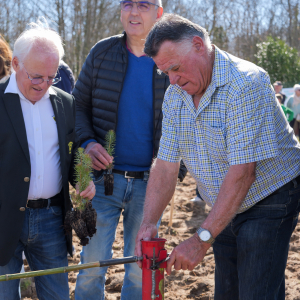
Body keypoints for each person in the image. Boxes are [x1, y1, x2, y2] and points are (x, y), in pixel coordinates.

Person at [135, 14, 300, 300]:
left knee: (256, 290)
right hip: (222, 197)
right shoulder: (176, 95)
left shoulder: (245, 83)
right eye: (166, 73)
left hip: (270, 195)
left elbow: (244, 172)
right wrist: (148, 223)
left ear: (199, 45)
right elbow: (165, 166)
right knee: (227, 291)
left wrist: (200, 240)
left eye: (175, 68)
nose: (172, 81)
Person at [73, 1, 186, 299]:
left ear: (159, 13)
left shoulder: (173, 59)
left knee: (139, 270)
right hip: (101, 182)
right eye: (127, 4)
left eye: (144, 4)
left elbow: (191, 117)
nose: (134, 12)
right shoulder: (101, 52)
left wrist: (177, 172)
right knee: (90, 269)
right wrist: (87, 143)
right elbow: (77, 107)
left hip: (152, 185)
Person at [0, 20, 95, 300]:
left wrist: (82, 180)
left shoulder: (65, 102)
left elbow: (73, 153)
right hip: (4, 218)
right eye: (36, 76)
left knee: (57, 295)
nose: (44, 84)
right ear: (16, 64)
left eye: (51, 77)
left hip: (53, 218)